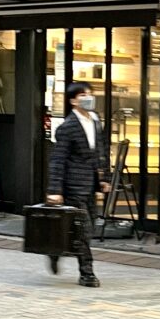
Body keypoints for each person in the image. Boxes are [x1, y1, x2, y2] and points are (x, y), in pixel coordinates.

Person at [46, 81, 109, 287]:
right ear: (73, 101)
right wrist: (54, 190)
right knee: (84, 230)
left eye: (89, 94)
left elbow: (101, 152)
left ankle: (55, 249)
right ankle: (87, 273)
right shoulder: (67, 127)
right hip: (73, 185)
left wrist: (105, 178)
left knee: (86, 227)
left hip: (90, 185)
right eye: (82, 95)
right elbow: (58, 160)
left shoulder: (96, 121)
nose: (88, 98)